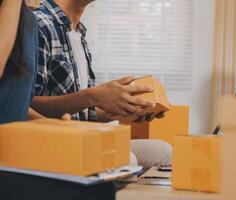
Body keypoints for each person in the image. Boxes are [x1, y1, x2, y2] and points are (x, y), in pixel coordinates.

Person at [32, 0, 172, 170]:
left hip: (82, 136)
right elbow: (24, 104)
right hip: (51, 142)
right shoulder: (39, 24)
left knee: (164, 151)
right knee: (126, 160)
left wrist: (124, 109)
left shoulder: (78, 34)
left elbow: (82, 113)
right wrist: (92, 96)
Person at [0, 1, 116, 199]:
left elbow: (17, 102)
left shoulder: (28, 20)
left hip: (15, 149)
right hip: (11, 153)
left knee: (101, 185)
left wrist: (63, 129)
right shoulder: (31, 19)